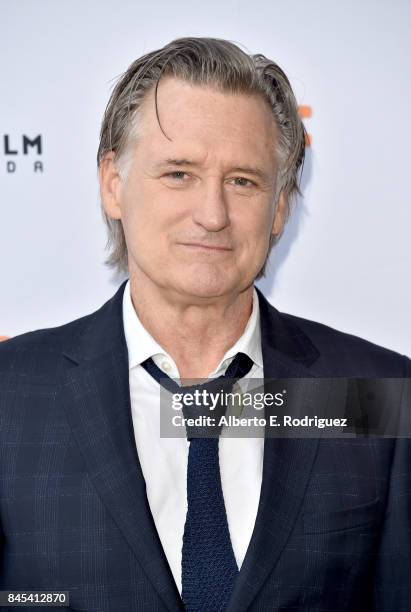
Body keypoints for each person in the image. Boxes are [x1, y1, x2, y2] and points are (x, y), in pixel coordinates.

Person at [0, 37, 409, 612]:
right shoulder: (10, 392)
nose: (212, 214)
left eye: (243, 181)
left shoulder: (378, 395)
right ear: (113, 185)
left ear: (281, 207)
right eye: (179, 174)